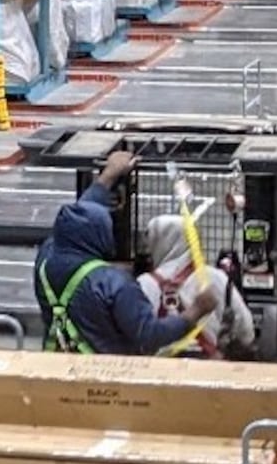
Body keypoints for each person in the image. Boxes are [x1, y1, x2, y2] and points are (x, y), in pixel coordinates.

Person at [37, 148, 218, 357]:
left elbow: (80, 214)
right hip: (104, 375)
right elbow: (150, 335)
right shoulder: (113, 284)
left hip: (57, 363)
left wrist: (108, 176)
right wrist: (196, 311)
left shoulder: (46, 257)